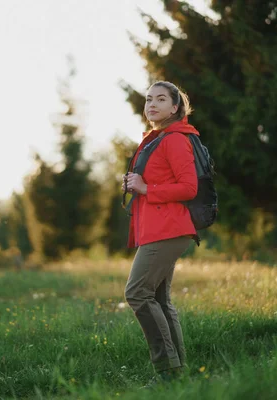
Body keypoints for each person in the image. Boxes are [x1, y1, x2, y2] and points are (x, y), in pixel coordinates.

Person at [121, 81, 199, 388]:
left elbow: (189, 187)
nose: (152, 103)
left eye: (161, 99)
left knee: (136, 292)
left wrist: (144, 188)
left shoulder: (175, 139)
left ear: (175, 107)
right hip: (159, 228)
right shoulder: (157, 139)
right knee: (159, 299)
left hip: (169, 228)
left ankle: (166, 371)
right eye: (149, 99)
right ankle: (178, 373)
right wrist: (137, 184)